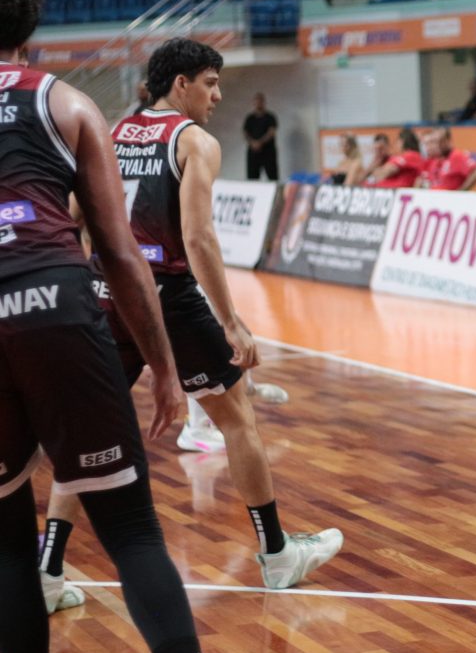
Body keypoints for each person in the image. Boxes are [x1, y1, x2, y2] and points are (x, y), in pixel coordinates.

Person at [40, 39, 344, 603]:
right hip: (167, 297)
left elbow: (73, 215)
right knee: (237, 419)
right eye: (210, 82)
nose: (217, 94)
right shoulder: (193, 141)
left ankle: (48, 572)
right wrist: (231, 321)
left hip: (106, 294)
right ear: (180, 84)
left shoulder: (112, 131)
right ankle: (278, 554)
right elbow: (199, 237)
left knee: (88, 432)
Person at [0, 0, 203, 653]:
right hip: (55, 299)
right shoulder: (67, 103)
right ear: (31, 27)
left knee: (5, 544)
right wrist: (165, 369)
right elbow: (119, 252)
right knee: (132, 529)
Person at [243, 92, 279, 181]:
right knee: (252, 178)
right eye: (256, 101)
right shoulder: (250, 118)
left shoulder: (270, 117)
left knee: (272, 177)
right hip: (253, 153)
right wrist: (253, 143)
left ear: (263, 102)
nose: (258, 104)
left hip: (268, 152)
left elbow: (271, 132)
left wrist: (260, 143)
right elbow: (245, 133)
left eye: (260, 101)